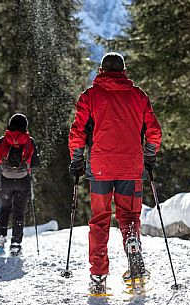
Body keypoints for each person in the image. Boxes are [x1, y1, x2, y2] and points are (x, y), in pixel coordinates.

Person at [68, 52, 162, 294]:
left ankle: (98, 277)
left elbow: (77, 132)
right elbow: (154, 131)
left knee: (100, 221)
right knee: (129, 216)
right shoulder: (138, 96)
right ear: (124, 71)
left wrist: (77, 160)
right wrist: (149, 157)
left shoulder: (90, 96)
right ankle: (133, 248)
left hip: (100, 168)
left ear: (101, 70)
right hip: (131, 168)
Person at [0, 113, 40, 256]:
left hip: (5, 180)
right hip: (23, 181)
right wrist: (28, 169)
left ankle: (0, 240)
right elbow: (36, 163)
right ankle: (16, 245)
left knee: (5, 210)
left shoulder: (3, 140)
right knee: (18, 213)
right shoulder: (29, 140)